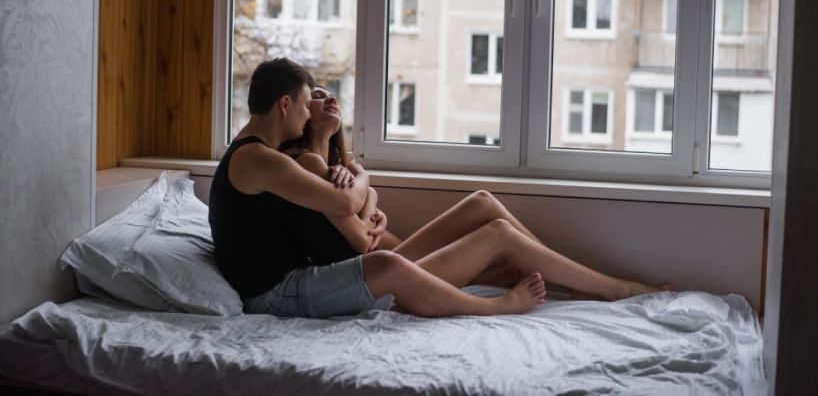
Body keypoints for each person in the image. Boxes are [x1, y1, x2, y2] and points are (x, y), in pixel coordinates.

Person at [208, 58, 666, 320]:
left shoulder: (274, 155)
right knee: (402, 256)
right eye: (308, 105)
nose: (311, 115)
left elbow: (349, 209)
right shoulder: (255, 158)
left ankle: (585, 284)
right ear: (285, 104)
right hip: (276, 294)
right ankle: (589, 293)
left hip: (316, 269)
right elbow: (347, 201)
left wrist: (363, 192)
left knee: (482, 204)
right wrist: (362, 181)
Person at [280, 84, 673, 299]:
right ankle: (614, 288)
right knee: (498, 234)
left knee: (483, 201)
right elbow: (362, 240)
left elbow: (373, 232)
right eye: (314, 96)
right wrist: (371, 207)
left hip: (388, 262)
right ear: (298, 114)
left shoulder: (337, 170)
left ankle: (569, 281)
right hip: (372, 282)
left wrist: (369, 200)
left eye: (329, 92)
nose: (327, 97)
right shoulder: (306, 163)